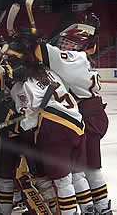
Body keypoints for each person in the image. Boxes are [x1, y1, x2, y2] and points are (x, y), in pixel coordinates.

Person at [1, 31, 94, 214]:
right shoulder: (49, 71)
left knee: (62, 181)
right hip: (77, 125)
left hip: (56, 131)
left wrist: (11, 123)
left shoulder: (23, 85)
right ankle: (89, 210)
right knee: (77, 174)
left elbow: (28, 122)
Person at [41, 13, 112, 214]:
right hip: (90, 112)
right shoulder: (80, 56)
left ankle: (101, 207)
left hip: (89, 115)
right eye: (63, 42)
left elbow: (48, 53)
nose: (63, 46)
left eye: (68, 43)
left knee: (90, 167)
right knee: (84, 166)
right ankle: (95, 206)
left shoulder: (74, 59)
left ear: (78, 47)